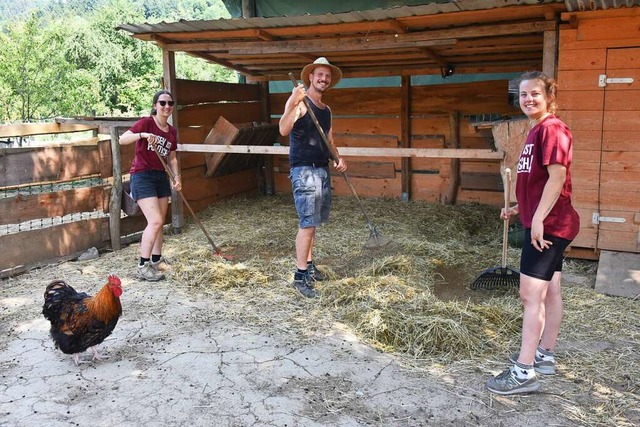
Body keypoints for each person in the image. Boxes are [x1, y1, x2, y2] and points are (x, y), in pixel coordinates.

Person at [486, 71, 580, 395]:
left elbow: (557, 177)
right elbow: (536, 184)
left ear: (549, 97)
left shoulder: (552, 129)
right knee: (550, 292)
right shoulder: (536, 131)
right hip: (548, 222)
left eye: (535, 94)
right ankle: (544, 355)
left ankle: (523, 371)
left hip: (548, 228)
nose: (527, 99)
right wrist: (518, 209)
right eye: (523, 95)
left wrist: (537, 219)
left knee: (530, 296)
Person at [278, 57, 348, 298]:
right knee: (307, 223)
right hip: (304, 170)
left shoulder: (326, 110)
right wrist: (291, 103)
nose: (324, 79)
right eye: (320, 75)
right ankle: (299, 277)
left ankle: (309, 265)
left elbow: (330, 141)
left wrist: (338, 158)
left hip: (321, 169)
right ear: (310, 76)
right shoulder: (302, 104)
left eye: (327, 76)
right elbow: (283, 129)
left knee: (314, 222)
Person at [119, 89, 181, 282]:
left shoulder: (171, 132)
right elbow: (122, 140)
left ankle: (156, 260)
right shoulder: (146, 123)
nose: (166, 107)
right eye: (162, 103)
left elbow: (172, 157)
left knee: (160, 221)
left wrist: (176, 177)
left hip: (161, 176)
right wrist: (143, 135)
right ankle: (142, 265)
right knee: (154, 221)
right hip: (142, 175)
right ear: (155, 106)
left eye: (170, 103)